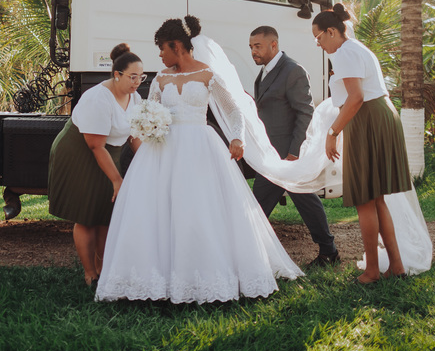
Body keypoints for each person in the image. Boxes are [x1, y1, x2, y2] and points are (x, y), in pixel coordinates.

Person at [96, 16, 302, 303]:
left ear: (176, 46)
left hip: (199, 148)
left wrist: (237, 138)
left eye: (162, 48)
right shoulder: (161, 78)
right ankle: (157, 277)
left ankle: (205, 275)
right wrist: (147, 125)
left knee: (199, 208)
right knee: (159, 210)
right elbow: (150, 110)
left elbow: (233, 111)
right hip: (163, 151)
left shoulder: (208, 75)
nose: (160, 55)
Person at [313, 3, 411, 284]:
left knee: (364, 199)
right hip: (379, 115)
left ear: (332, 32)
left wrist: (333, 132)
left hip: (368, 118)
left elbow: (355, 97)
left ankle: (372, 271)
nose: (318, 44)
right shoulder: (356, 48)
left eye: (318, 37)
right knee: (376, 199)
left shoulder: (344, 53)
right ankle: (396, 267)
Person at [48, 43, 144, 286]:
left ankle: (104, 269)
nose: (137, 82)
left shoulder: (135, 98)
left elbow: (134, 135)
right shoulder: (98, 98)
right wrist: (117, 180)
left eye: (141, 77)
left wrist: (147, 161)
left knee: (106, 215)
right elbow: (95, 145)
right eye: (132, 77)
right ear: (117, 74)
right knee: (87, 215)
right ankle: (90, 273)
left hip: (108, 153)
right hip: (80, 152)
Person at [249, 25, 339, 268]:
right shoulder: (265, 72)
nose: (253, 51)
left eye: (257, 46)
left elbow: (305, 113)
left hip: (287, 154)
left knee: (297, 201)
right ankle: (328, 251)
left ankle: (328, 251)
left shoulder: (292, 70)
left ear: (273, 45)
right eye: (251, 47)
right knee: (264, 204)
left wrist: (294, 153)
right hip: (272, 155)